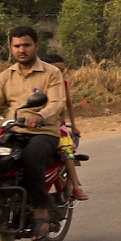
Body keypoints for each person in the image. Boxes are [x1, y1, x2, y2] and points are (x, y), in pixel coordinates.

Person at [0, 26, 66, 241]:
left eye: (26, 45)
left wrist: (40, 116)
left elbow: (57, 103)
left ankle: (39, 210)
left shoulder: (51, 73)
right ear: (11, 48)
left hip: (44, 132)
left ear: (36, 45)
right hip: (13, 130)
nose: (22, 50)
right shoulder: (5, 76)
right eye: (17, 46)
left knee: (30, 156)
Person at [42, 54, 88, 201]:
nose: (60, 74)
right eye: (57, 70)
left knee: (67, 151)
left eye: (62, 71)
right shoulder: (38, 83)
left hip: (56, 127)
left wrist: (74, 126)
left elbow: (67, 106)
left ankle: (76, 186)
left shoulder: (63, 84)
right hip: (37, 126)